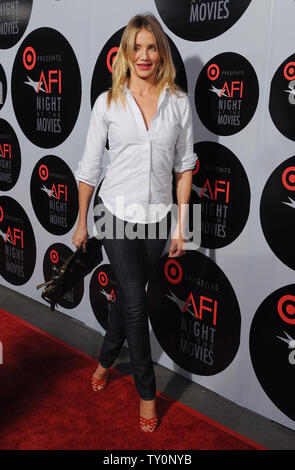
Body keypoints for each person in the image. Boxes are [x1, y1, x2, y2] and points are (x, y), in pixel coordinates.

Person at [72, 13, 197, 433]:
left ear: (161, 52)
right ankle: (147, 392)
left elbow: (184, 166)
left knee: (129, 298)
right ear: (125, 53)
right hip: (114, 214)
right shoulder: (108, 103)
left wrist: (183, 226)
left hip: (157, 219)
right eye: (136, 47)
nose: (144, 56)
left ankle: (107, 358)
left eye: (151, 47)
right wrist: (81, 221)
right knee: (136, 299)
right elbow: (89, 168)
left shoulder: (178, 102)